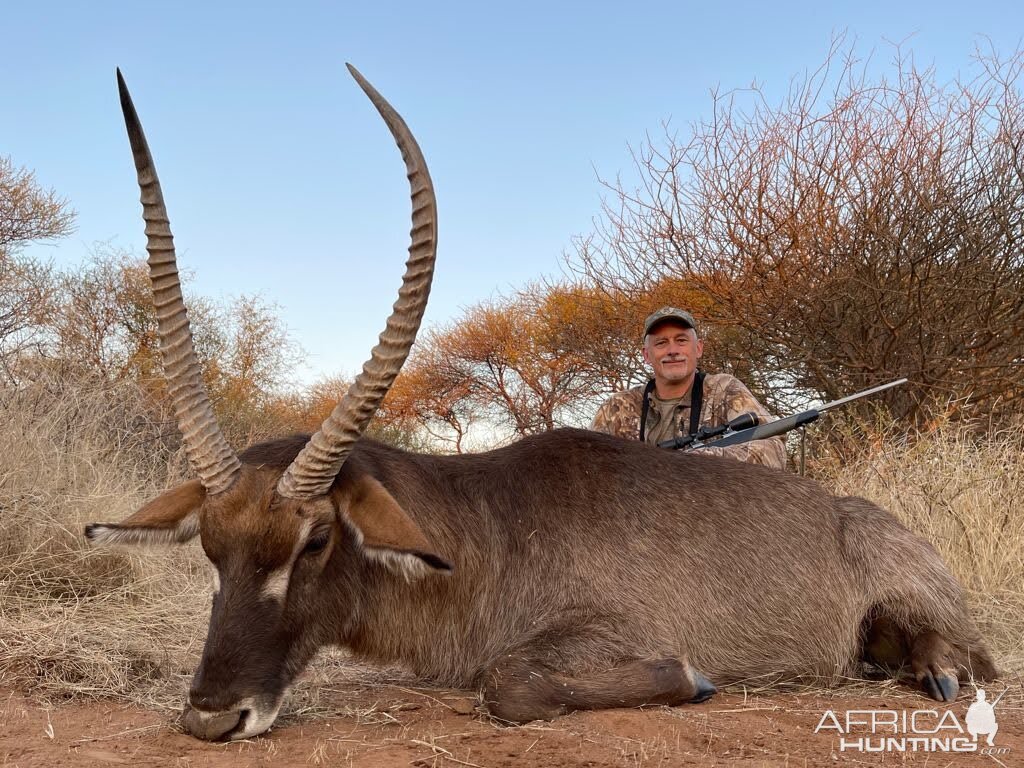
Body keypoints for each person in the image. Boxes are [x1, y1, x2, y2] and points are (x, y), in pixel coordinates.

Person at [591, 307, 786, 470]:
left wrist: (705, 459)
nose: (673, 350)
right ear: (646, 355)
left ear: (698, 348)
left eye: (681, 340)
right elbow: (586, 464)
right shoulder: (617, 407)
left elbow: (773, 450)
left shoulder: (725, 389)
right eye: (661, 343)